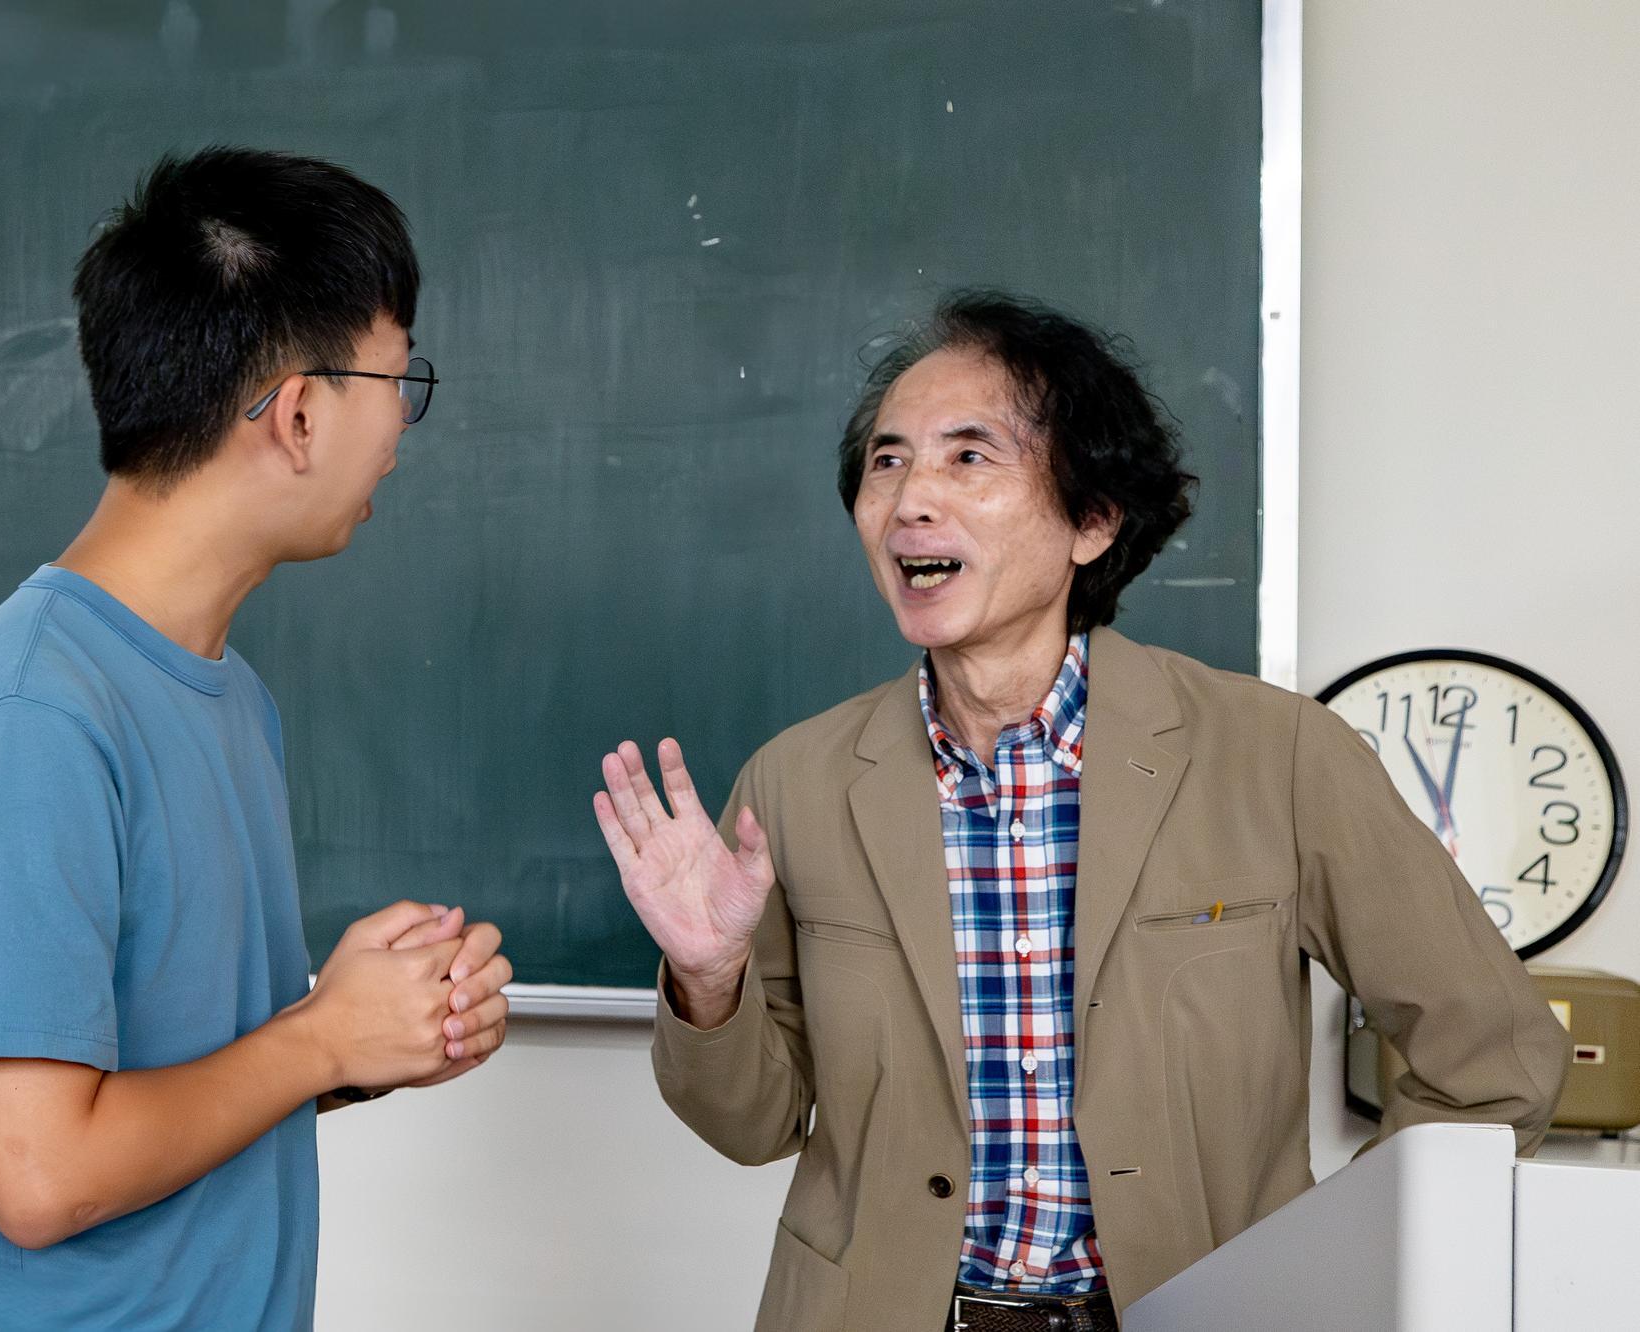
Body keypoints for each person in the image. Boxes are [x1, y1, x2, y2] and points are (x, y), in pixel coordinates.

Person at [592, 290, 1568, 1331]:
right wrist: (707, 981)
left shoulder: (1276, 757)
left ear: (1092, 520)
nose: (912, 497)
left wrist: (1333, 1269)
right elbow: (753, 1124)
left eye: (970, 457)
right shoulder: (794, 783)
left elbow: (1493, 1064)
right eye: (887, 461)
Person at [0, 147, 511, 1330]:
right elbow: (38, 1177)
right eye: (396, 381)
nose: (400, 430)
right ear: (300, 412)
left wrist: (358, 1038)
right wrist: (322, 1039)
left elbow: (168, 1094)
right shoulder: (36, 719)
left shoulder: (226, 694)